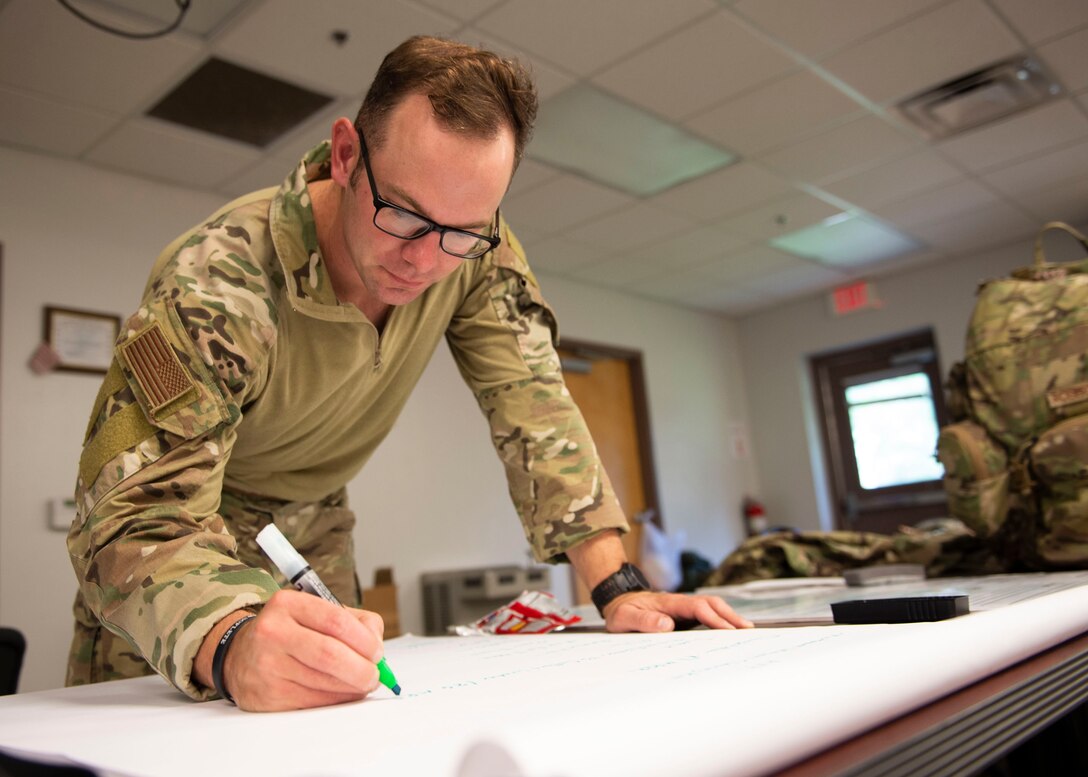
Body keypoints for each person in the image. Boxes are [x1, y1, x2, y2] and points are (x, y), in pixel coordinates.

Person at [66, 35, 750, 712]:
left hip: (314, 528)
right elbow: (133, 515)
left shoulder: (477, 251)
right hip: (186, 535)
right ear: (344, 156)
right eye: (403, 215)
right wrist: (228, 638)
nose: (425, 261)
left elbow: (535, 406)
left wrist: (618, 585)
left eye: (463, 231)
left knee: (333, 728)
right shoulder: (218, 281)